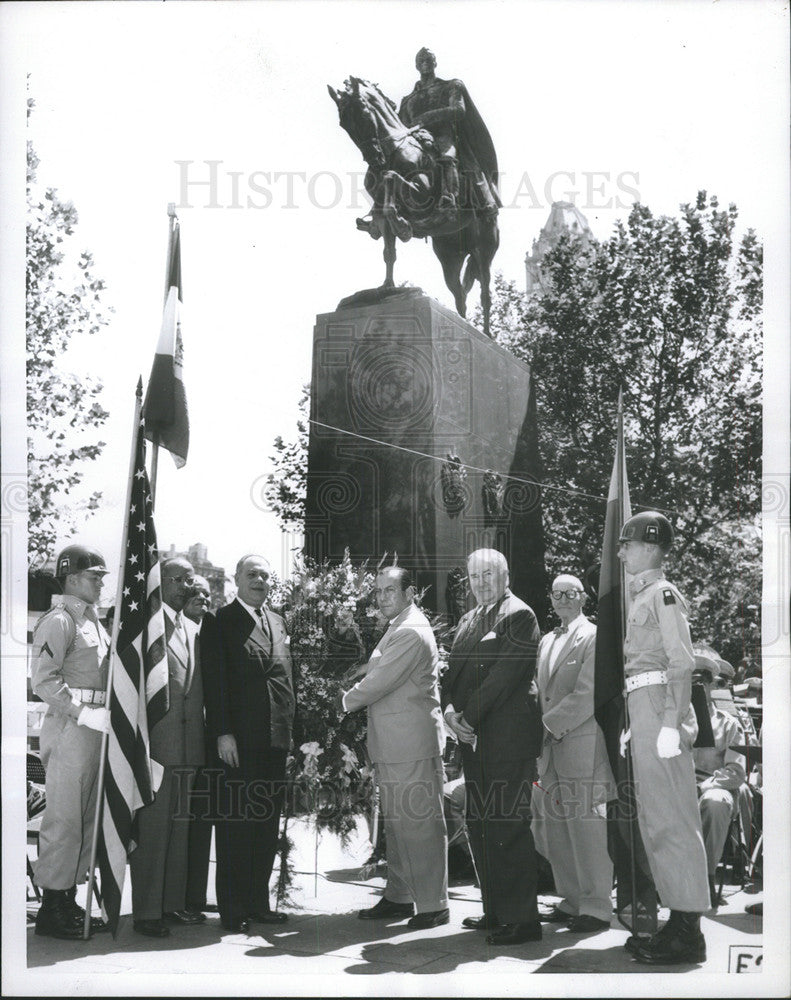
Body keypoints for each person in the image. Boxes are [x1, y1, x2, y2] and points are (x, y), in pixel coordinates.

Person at [617, 512, 710, 964]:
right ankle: (678, 920)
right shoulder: (643, 595)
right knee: (656, 820)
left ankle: (688, 930)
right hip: (648, 708)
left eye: (626, 543)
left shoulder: (663, 594)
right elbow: (646, 667)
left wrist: (671, 722)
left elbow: (680, 662)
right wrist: (640, 720)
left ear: (649, 546)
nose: (620, 552)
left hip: (662, 710)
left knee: (673, 819)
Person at [442, 548, 543, 946]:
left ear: (505, 575)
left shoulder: (520, 614)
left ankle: (523, 921)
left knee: (508, 827)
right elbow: (451, 673)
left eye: (488, 575)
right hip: (473, 739)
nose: (480, 583)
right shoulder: (469, 619)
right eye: (474, 577)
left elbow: (504, 676)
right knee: (481, 827)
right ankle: (496, 910)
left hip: (506, 740)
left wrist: (467, 718)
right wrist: (450, 713)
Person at [342, 566, 449, 928]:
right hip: (394, 744)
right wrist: (356, 671)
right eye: (378, 591)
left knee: (419, 825)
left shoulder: (410, 629)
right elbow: (377, 668)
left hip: (410, 744)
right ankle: (400, 896)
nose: (382, 597)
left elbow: (381, 681)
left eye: (390, 590)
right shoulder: (399, 625)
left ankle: (434, 904)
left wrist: (338, 701)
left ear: (410, 592)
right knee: (399, 826)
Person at [200, 554, 296, 933]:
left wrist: (290, 736)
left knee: (265, 826)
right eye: (252, 574)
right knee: (236, 826)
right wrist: (222, 732)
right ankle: (234, 909)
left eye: (265, 575)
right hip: (237, 743)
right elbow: (214, 681)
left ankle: (259, 903)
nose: (260, 580)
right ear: (237, 579)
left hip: (274, 740)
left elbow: (285, 679)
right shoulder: (220, 622)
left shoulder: (277, 621)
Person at [31, 544, 111, 939]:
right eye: (94, 575)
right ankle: (52, 906)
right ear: (72, 577)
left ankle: (67, 898)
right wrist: (81, 713)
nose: (100, 582)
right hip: (72, 726)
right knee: (64, 818)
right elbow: (43, 680)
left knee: (85, 817)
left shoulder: (94, 621)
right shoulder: (60, 620)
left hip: (97, 727)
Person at [530, 574, 615, 934]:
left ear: (583, 598)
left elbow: (588, 693)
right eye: (556, 593)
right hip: (549, 749)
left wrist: (546, 726)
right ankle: (571, 900)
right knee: (556, 829)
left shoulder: (593, 636)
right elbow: (539, 689)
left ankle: (596, 907)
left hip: (580, 742)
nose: (562, 599)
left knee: (586, 827)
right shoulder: (547, 639)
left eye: (570, 593)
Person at [129, 557, 205, 937]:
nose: (184, 586)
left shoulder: (190, 628)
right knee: (155, 832)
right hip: (156, 746)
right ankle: (146, 912)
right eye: (176, 579)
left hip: (189, 748)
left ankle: (171, 904)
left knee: (179, 830)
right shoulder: (146, 629)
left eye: (188, 579)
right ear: (159, 583)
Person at [399, 47, 500, 217]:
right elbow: (401, 126)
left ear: (435, 63)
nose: (425, 64)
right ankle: (385, 210)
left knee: (447, 156)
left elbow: (458, 111)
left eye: (428, 60)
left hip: (443, 135)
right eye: (421, 61)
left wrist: (427, 117)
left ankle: (450, 197)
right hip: (416, 140)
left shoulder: (450, 86)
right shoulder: (408, 100)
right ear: (416, 66)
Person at [691, 650, 752, 906]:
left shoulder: (728, 724)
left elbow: (735, 772)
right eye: (689, 679)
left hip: (713, 785)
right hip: (676, 784)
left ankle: (704, 878)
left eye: (701, 680)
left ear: (711, 685)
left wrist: (705, 785)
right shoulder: (670, 720)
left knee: (715, 802)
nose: (695, 685)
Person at [181, 575, 217, 919]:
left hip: (209, 743)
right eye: (194, 594)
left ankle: (195, 895)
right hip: (182, 744)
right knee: (184, 824)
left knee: (201, 821)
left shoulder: (212, 633)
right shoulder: (174, 632)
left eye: (207, 595)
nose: (201, 599)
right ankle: (181, 897)